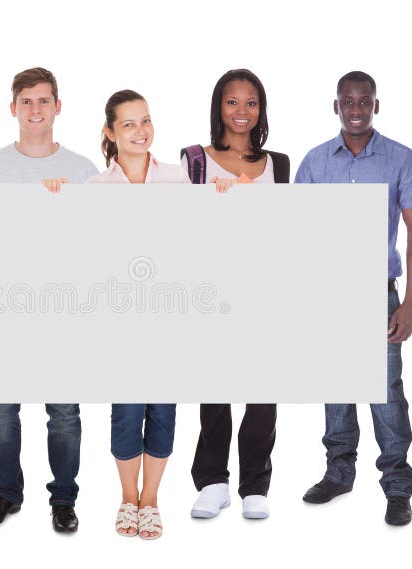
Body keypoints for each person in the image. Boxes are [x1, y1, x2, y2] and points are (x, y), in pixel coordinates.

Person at [295, 71, 412, 526]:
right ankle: (338, 474)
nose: (355, 109)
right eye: (347, 102)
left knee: (386, 393)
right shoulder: (315, 162)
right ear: (336, 106)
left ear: (376, 105)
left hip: (378, 295)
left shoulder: (399, 159)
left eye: (364, 102)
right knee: (335, 388)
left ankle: (397, 486)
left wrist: (408, 304)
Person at [0, 67, 97, 533]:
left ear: (58, 107)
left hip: (62, 309)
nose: (36, 109)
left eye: (44, 101)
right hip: (4, 308)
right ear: (13, 108)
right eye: (27, 101)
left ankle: (63, 498)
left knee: (63, 412)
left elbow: (96, 241)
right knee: (1, 412)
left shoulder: (84, 170)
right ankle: (6, 493)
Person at [180, 68, 289, 521]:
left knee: (263, 391)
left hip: (263, 288)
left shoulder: (279, 163)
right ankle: (213, 482)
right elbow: (179, 226)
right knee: (215, 389)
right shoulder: (193, 160)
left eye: (251, 103)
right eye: (232, 102)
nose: (241, 112)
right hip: (212, 288)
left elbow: (285, 229)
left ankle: (254, 485)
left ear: (261, 109)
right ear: (217, 107)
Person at [84, 89, 188, 539]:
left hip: (168, 318)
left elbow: (198, 242)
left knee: (162, 411)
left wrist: (223, 195)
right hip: (119, 322)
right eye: (128, 124)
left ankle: (152, 500)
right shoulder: (95, 189)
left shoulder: (177, 178)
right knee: (127, 413)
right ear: (110, 132)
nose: (140, 131)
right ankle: (128, 497)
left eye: (145, 121)